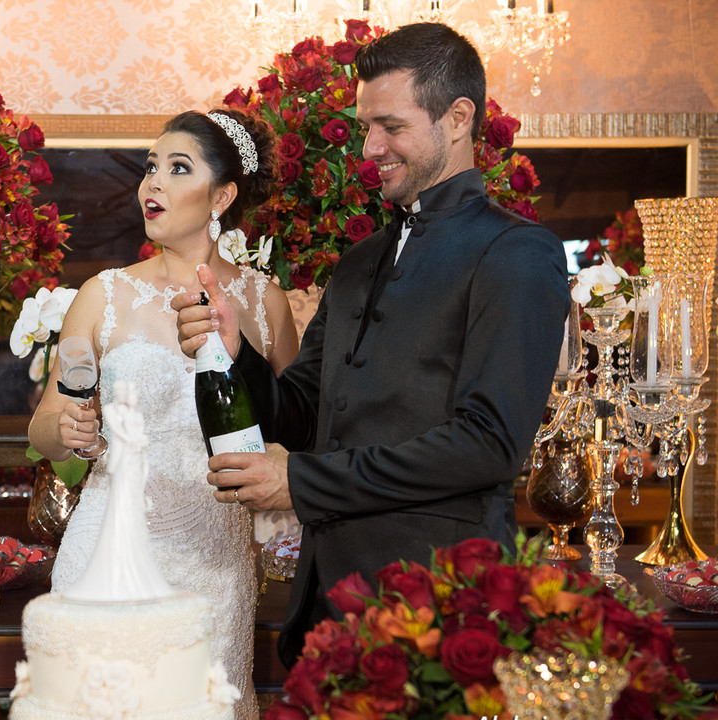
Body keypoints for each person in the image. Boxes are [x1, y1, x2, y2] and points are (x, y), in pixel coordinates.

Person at [173, 22, 571, 668]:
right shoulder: (359, 261)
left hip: (439, 618)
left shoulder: (517, 253)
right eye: (365, 126)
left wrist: (299, 482)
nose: (369, 146)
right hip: (324, 613)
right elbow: (300, 412)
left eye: (390, 125)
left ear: (459, 118)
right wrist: (236, 350)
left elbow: (489, 444)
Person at [28, 108, 299, 720]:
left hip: (216, 561)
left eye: (178, 168)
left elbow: (297, 423)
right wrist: (69, 426)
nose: (153, 181)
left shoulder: (263, 302)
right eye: (151, 166)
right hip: (108, 550)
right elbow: (42, 430)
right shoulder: (104, 295)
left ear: (222, 195)